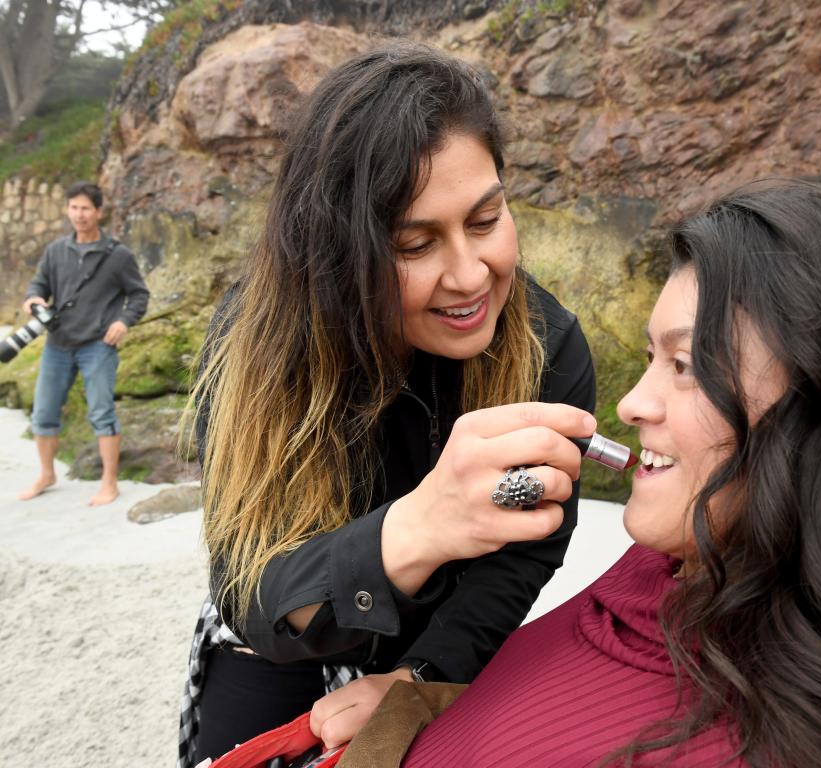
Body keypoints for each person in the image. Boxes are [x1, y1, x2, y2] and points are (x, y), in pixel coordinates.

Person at [393, 180, 821, 767]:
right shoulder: (685, 557)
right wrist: (417, 703)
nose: (631, 405)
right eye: (649, 358)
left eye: (686, 365)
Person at [178, 42, 596, 766]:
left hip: (445, 641)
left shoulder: (547, 345)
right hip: (279, 641)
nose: (470, 276)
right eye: (413, 243)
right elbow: (251, 590)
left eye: (487, 219)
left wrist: (419, 677)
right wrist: (417, 529)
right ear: (337, 251)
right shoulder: (259, 337)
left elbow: (523, 556)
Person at [19, 181, 150, 506]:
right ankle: (47, 474)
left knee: (102, 414)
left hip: (98, 346)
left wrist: (123, 321)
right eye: (74, 208)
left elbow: (139, 294)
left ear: (99, 212)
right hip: (57, 344)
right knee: (44, 413)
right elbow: (39, 284)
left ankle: (109, 482)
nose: (79, 214)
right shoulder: (55, 251)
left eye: (85, 208)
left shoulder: (118, 256)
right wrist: (33, 298)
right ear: (68, 210)